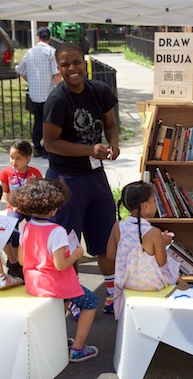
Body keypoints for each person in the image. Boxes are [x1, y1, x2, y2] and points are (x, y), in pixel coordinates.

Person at [43, 41, 120, 314]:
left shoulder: (100, 91)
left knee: (106, 238)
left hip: (95, 176)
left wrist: (114, 143)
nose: (71, 69)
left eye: (75, 62)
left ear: (84, 62)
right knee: (67, 242)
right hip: (65, 179)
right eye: (65, 65)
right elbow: (50, 142)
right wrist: (89, 149)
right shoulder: (57, 100)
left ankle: (112, 294)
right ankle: (72, 296)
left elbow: (111, 124)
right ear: (59, 68)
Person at [11, 178, 99, 362]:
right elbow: (61, 265)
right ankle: (78, 348)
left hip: (34, 283)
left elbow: (21, 259)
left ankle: (56, 338)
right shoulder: (57, 231)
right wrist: (76, 254)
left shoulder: (26, 226)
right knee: (91, 301)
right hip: (55, 285)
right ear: (53, 207)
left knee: (63, 303)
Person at [106, 181, 185, 319]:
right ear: (146, 206)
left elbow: (110, 255)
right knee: (176, 274)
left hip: (126, 282)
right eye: (154, 201)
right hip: (150, 284)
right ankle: (183, 287)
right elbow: (161, 262)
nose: (156, 204)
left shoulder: (118, 226)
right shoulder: (154, 233)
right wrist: (164, 242)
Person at [0, 139, 43, 275]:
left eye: (18, 158)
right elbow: (4, 192)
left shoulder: (34, 173)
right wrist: (11, 204)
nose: (14, 161)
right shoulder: (6, 172)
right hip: (15, 208)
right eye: (11, 157)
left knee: (39, 227)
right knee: (12, 229)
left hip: (31, 208)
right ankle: (15, 260)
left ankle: (36, 256)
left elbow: (40, 190)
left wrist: (34, 205)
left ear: (28, 158)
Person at [16, 26, 60, 157]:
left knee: (38, 119)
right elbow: (56, 73)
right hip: (50, 93)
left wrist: (31, 81)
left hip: (35, 94)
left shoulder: (30, 52)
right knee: (49, 121)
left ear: (38, 38)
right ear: (49, 38)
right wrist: (60, 89)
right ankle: (48, 147)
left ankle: (36, 146)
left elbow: (20, 70)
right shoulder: (51, 52)